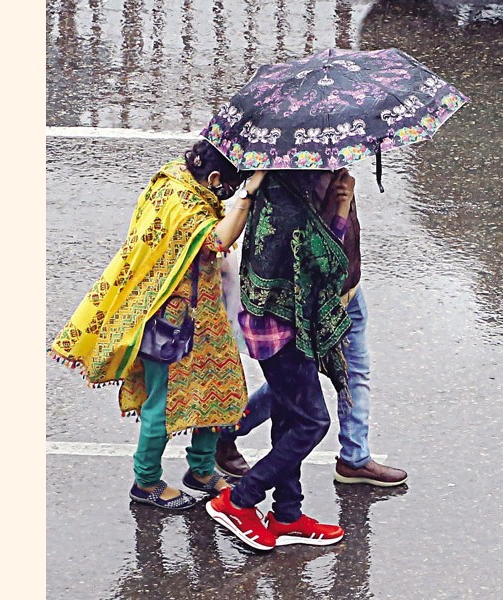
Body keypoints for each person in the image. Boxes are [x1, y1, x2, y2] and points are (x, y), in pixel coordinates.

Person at [49, 140, 265, 511]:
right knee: (163, 405)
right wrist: (246, 195)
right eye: (226, 186)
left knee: (219, 390)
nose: (226, 194)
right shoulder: (183, 205)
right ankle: (145, 481)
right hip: (173, 323)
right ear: (213, 178)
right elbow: (219, 239)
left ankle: (200, 468)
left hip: (206, 316)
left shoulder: (174, 179)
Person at [216, 170, 409, 487]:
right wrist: (342, 207)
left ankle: (354, 457)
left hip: (347, 287)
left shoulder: (328, 163)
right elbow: (315, 260)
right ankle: (237, 462)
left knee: (345, 373)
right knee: (299, 396)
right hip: (313, 301)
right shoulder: (289, 185)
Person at [205, 169, 351, 550]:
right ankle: (239, 501)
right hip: (281, 329)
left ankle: (287, 515)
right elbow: (324, 262)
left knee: (288, 418)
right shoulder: (287, 199)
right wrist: (341, 206)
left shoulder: (282, 188)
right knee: (312, 422)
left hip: (285, 325)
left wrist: (336, 200)